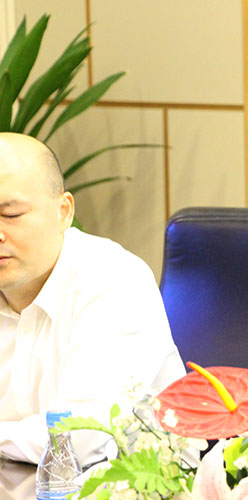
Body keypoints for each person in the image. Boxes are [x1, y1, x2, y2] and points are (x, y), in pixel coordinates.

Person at [0, 133, 185, 465]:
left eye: (11, 214)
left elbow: (80, 438)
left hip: (134, 483)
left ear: (64, 212)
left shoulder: (114, 280)